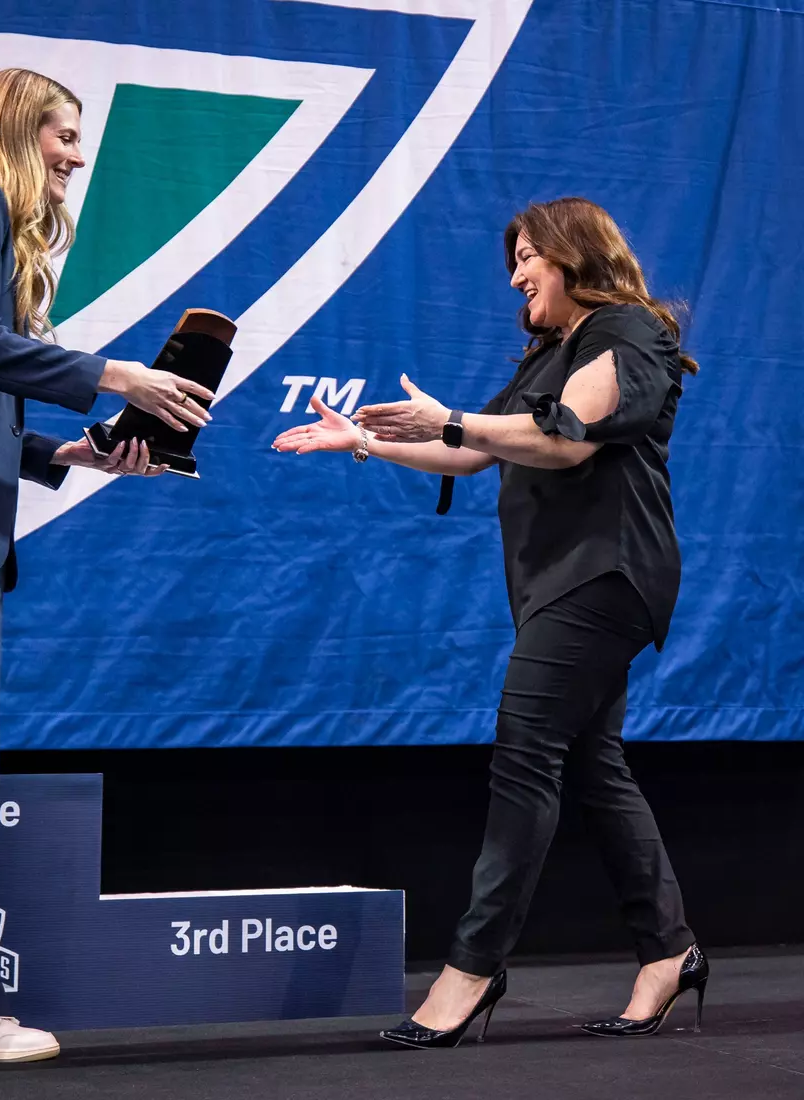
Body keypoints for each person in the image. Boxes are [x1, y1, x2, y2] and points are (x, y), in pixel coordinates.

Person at [273, 196, 708, 1048]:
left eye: (528, 258)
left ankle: (473, 967)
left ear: (574, 256)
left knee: (525, 751)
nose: (515, 275)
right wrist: (365, 443)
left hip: (608, 572)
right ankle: (671, 951)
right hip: (557, 582)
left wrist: (454, 418)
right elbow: (475, 448)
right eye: (513, 260)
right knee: (593, 761)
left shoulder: (628, 333)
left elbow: (567, 439)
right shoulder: (550, 352)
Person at [0, 68, 216, 1064]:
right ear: (15, 127)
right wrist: (113, 372)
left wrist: (77, 450)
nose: (76, 156)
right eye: (62, 133)